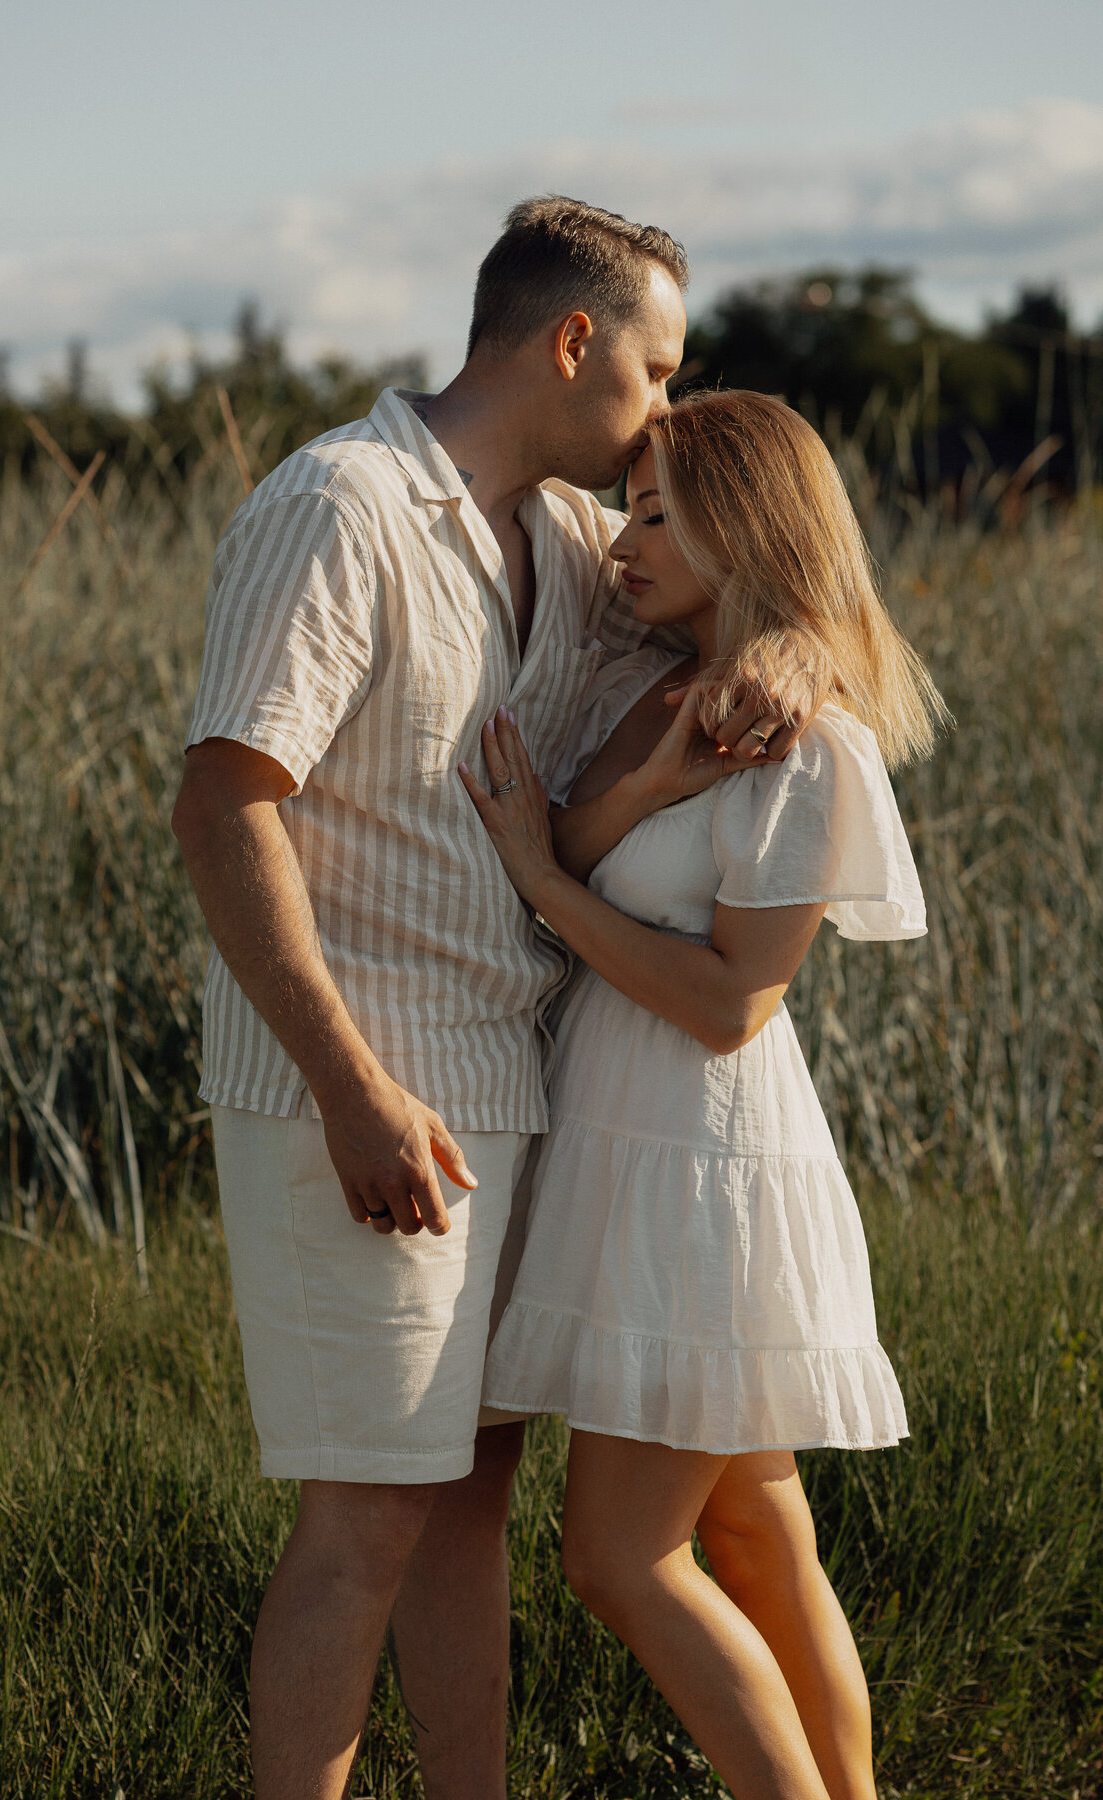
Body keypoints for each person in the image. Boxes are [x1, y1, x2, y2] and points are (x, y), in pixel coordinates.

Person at [172, 201, 814, 1800]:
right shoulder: (341, 503)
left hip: (510, 1086)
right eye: (659, 367)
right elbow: (225, 801)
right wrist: (349, 1088)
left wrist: (797, 653)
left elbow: (738, 593)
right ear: (574, 342)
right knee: (368, 1515)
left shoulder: (564, 546)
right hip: (361, 1091)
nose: (670, 407)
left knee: (467, 1507)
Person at [464, 389, 948, 1800]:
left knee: (621, 1556)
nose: (626, 538)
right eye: (632, 502)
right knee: (753, 1530)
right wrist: (637, 792)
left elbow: (736, 1002)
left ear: (751, 528)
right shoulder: (661, 690)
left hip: (698, 1162)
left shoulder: (813, 741)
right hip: (632, 1144)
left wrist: (546, 885)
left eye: (665, 512)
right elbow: (568, 844)